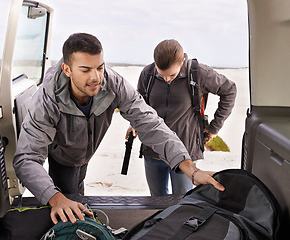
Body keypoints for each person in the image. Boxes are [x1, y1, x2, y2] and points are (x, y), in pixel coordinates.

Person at [13, 33, 225, 225]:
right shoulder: (46, 100)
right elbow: (27, 159)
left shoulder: (113, 84)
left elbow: (150, 123)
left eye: (99, 67)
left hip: (86, 153)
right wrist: (55, 198)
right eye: (85, 70)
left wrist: (192, 169)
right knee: (67, 203)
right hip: (63, 156)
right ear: (67, 70)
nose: (95, 77)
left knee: (79, 194)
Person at [126, 39, 236, 196]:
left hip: (185, 150)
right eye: (161, 74)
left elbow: (230, 90)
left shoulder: (199, 73)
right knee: (157, 201)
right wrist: (135, 124)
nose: (166, 79)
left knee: (182, 201)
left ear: (182, 61)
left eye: (171, 75)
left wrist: (214, 128)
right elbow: (140, 105)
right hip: (153, 150)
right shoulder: (147, 74)